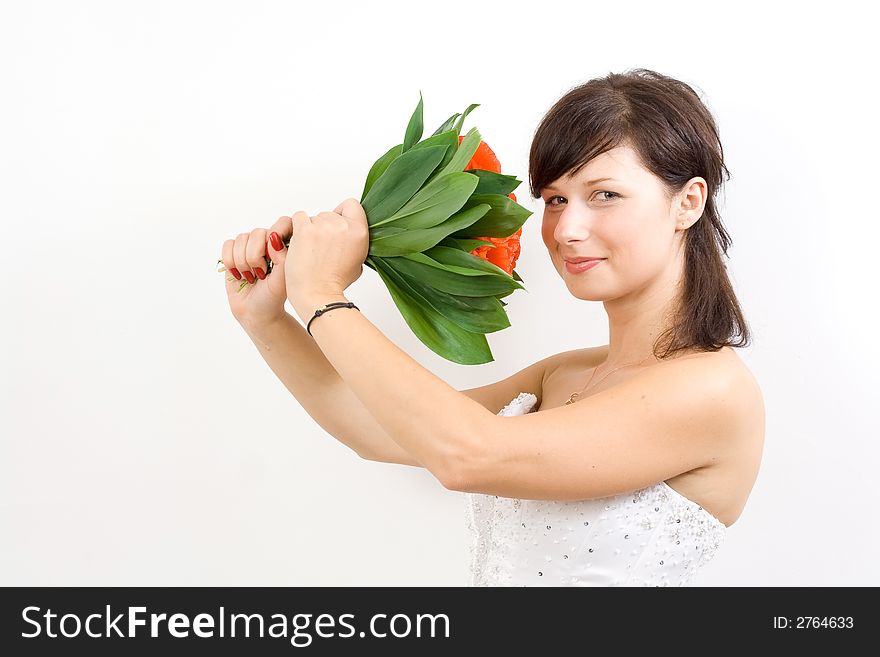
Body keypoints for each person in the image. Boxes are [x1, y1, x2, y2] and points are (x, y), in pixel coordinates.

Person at [219, 68, 765, 587]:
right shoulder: (564, 375)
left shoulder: (710, 389)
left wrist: (321, 295)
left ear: (688, 202)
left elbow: (465, 454)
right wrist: (266, 317)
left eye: (605, 194)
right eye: (555, 199)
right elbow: (377, 429)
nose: (567, 228)